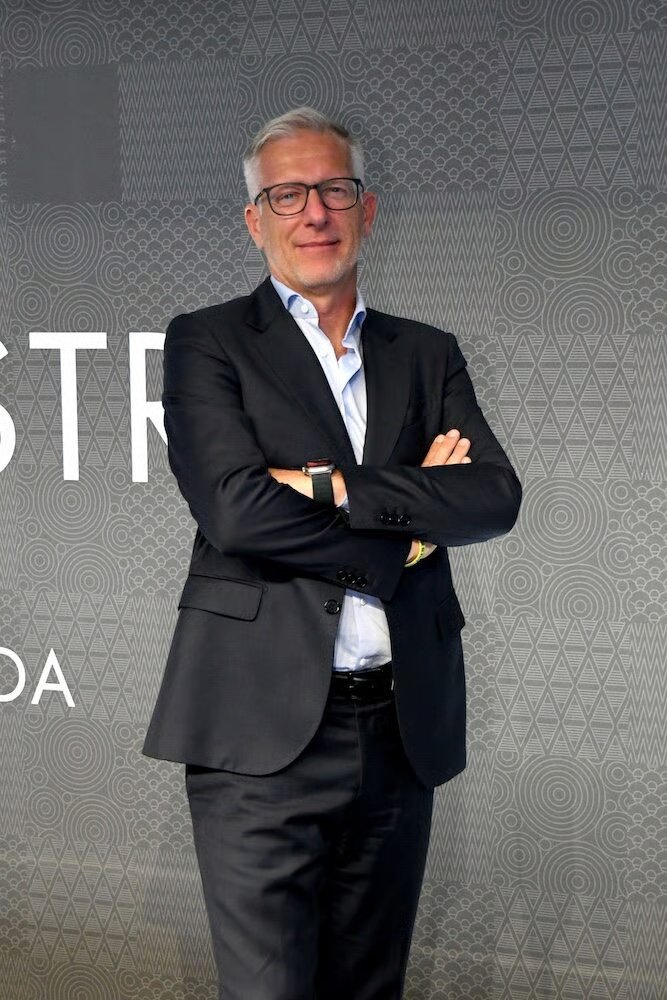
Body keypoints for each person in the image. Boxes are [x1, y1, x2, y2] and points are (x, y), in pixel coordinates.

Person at [143, 106, 522, 1000]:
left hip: (398, 734)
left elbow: (493, 497)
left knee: (368, 989)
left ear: (366, 207)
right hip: (257, 743)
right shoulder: (208, 342)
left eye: (332, 189)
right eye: (286, 194)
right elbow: (238, 512)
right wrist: (404, 526)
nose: (313, 212)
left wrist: (337, 486)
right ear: (254, 219)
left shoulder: (429, 356)